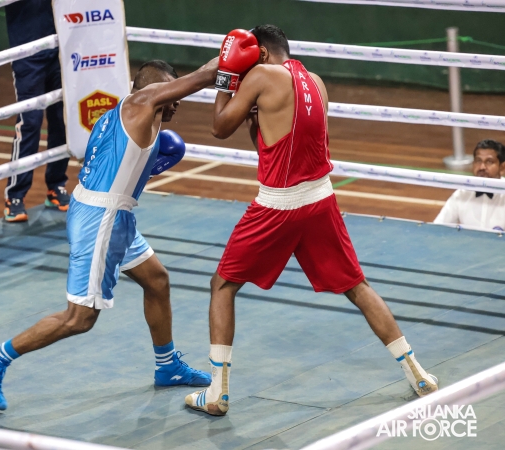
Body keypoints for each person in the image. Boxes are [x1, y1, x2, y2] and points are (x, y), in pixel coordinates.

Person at [185, 25, 438, 416]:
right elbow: (274, 144)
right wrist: (256, 120)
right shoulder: (315, 82)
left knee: (222, 285)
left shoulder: (260, 75)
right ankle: (416, 372)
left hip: (278, 205)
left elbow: (218, 128)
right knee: (357, 286)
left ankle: (217, 392)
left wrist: (226, 77)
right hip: (321, 199)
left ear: (262, 54)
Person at [0, 58, 219, 410]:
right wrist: (244, 50)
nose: (175, 99)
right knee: (79, 318)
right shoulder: (143, 103)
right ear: (148, 89)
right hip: (101, 219)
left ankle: (167, 367)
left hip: (108, 211)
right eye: (168, 90)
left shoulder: (128, 114)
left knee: (157, 280)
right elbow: (202, 76)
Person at [3, 0, 70, 222]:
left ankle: (56, 185)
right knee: (30, 121)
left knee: (61, 119)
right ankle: (15, 196)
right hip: (27, 52)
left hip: (60, 46)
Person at [434, 139, 505, 231]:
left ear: (502, 168)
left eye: (489, 162)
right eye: (478, 161)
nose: (482, 167)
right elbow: (437, 228)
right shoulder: (462, 194)